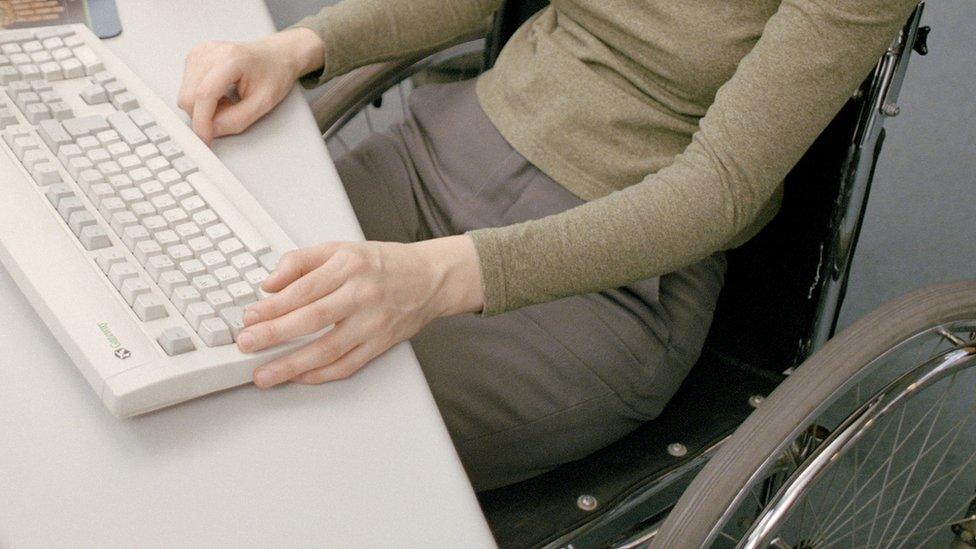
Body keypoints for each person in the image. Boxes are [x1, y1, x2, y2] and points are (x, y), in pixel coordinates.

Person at [178, 0, 919, 490]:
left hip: (610, 275)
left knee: (267, 427)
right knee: (183, 300)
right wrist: (302, 46)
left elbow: (717, 190)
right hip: (441, 149)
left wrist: (441, 275)